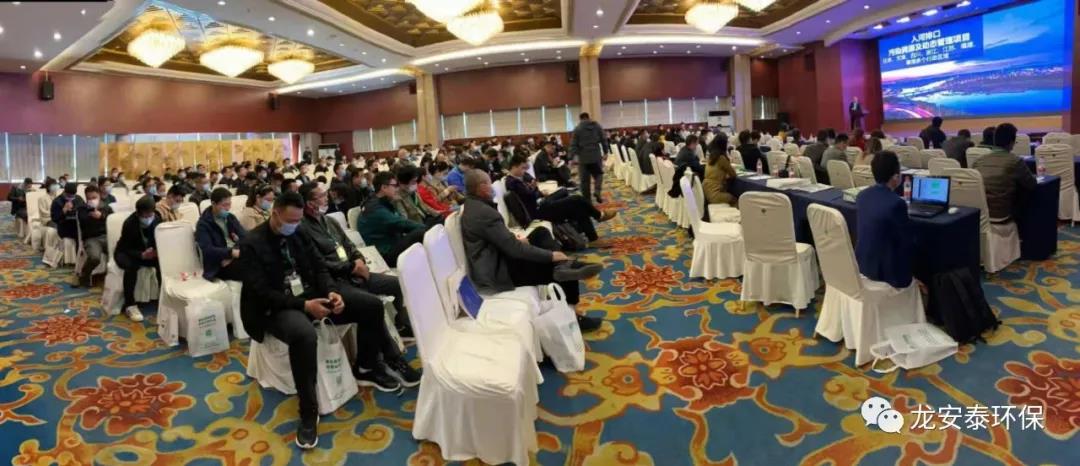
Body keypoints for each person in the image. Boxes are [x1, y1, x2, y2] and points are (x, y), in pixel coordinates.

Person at [237, 192, 355, 449]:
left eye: (299, 220)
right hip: (272, 308)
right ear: (275, 214)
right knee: (304, 335)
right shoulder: (251, 243)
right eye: (290, 220)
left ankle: (373, 366)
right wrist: (304, 306)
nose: (295, 224)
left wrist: (331, 291)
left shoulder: (299, 232)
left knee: (368, 305)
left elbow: (319, 267)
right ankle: (308, 410)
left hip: (306, 294)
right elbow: (262, 292)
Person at [297, 182, 420, 391]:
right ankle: (379, 362)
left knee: (396, 283)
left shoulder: (329, 221)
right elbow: (318, 265)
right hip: (334, 282)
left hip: (354, 274)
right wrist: (351, 267)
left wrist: (359, 261)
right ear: (309, 203)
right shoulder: (302, 229)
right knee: (372, 305)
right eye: (321, 196)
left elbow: (350, 246)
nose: (327, 198)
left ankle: (400, 325)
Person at [460, 169, 603, 331]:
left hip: (497, 258)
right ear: (482, 187)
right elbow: (514, 249)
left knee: (540, 233)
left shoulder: (474, 206)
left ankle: (562, 266)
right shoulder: (483, 213)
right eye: (488, 183)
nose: (491, 187)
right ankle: (574, 317)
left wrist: (516, 241)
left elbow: (498, 240)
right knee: (559, 266)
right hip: (499, 271)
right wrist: (550, 256)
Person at [504, 155, 616, 242]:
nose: (524, 171)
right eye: (522, 168)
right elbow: (531, 195)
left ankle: (593, 235)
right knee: (577, 200)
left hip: (541, 204)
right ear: (514, 166)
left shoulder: (518, 178)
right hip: (538, 211)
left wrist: (533, 189)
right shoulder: (512, 182)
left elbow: (533, 191)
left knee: (576, 204)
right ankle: (598, 216)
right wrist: (533, 189)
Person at [855, 151, 914, 289]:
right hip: (886, 273)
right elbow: (905, 242)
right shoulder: (896, 203)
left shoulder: (862, 196)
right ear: (896, 176)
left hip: (862, 264)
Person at [355, 172, 426, 267]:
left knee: (427, 226)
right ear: (384, 188)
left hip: (391, 243)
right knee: (421, 232)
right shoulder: (375, 209)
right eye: (395, 186)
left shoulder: (380, 202)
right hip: (384, 253)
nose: (397, 189)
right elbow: (401, 223)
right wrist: (426, 228)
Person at [971, 123, 1037, 222]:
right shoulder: (1015, 161)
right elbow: (1032, 184)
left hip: (982, 215)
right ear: (1012, 142)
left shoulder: (978, 161)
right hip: (1002, 215)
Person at [114, 196, 161, 322]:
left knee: (162, 264)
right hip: (127, 252)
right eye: (146, 215)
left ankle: (163, 298)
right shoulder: (130, 223)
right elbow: (125, 247)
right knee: (131, 267)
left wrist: (156, 251)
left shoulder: (157, 219)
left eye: (151, 214)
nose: (149, 217)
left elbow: (161, 238)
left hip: (149, 252)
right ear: (138, 213)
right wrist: (141, 255)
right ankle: (130, 305)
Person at [195, 188, 247, 281]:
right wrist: (230, 253)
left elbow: (244, 236)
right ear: (213, 204)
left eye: (229, 204)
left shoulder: (230, 217)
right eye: (224, 205)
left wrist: (232, 254)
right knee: (252, 269)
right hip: (218, 264)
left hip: (235, 255)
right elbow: (208, 250)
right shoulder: (203, 224)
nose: (227, 208)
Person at [75, 185, 112, 288]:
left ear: (99, 196)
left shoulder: (106, 207)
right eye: (89, 198)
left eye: (94, 198)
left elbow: (112, 220)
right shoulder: (82, 209)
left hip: (107, 236)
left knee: (121, 252)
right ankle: (84, 274)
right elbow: (83, 221)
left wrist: (101, 216)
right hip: (91, 238)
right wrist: (91, 214)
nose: (92, 200)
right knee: (94, 257)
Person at [570, 112, 606, 204]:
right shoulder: (596, 126)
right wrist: (606, 151)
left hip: (583, 158)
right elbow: (603, 139)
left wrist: (571, 157)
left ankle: (587, 202)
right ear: (588, 117)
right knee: (599, 174)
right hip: (595, 156)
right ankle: (597, 191)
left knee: (584, 181)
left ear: (580, 119)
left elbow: (573, 144)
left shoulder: (577, 129)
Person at [702, 134, 738, 207]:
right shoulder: (721, 158)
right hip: (715, 194)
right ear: (723, 145)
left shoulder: (711, 156)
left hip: (706, 190)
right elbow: (733, 174)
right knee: (736, 199)